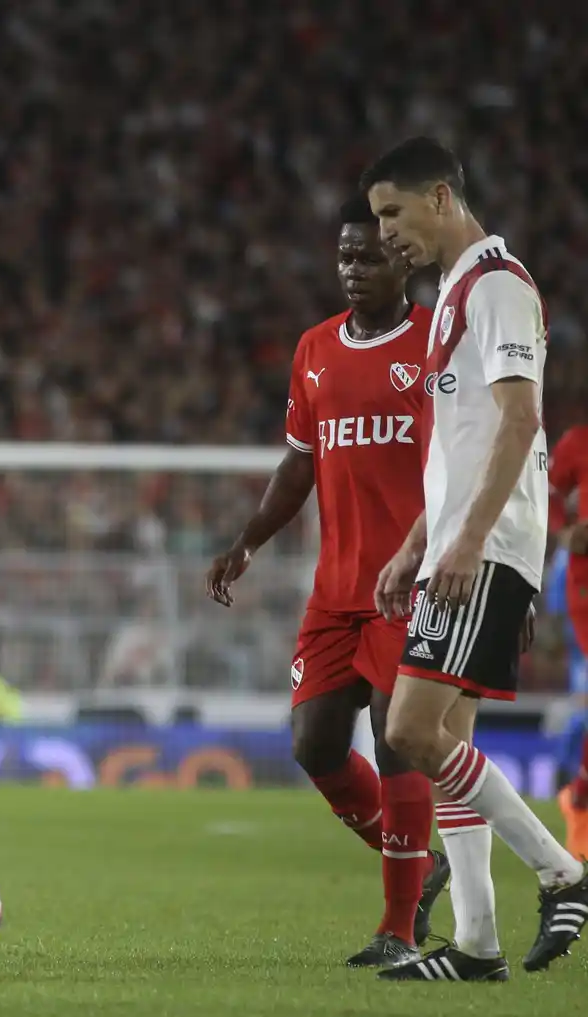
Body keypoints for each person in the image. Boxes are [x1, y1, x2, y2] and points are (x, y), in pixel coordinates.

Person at [363, 136, 587, 982]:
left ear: (443, 197)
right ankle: (477, 944)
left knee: (411, 729)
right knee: (448, 736)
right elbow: (464, 445)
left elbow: (521, 420)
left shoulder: (496, 283)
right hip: (461, 544)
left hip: (484, 547)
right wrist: (418, 541)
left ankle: (564, 874)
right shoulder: (459, 288)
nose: (386, 233)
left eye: (394, 212)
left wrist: (462, 542)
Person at [207, 196, 446, 968]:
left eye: (367, 255)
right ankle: (421, 860)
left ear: (402, 260)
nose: (351, 268)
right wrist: (249, 539)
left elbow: (465, 463)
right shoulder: (315, 349)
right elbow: (301, 461)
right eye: (344, 256)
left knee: (394, 735)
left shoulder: (434, 343)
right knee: (313, 745)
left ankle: (399, 925)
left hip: (407, 584)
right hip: (334, 590)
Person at [549, 422, 588, 859]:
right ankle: (578, 802)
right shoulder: (576, 440)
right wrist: (564, 531)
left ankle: (579, 796)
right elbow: (550, 493)